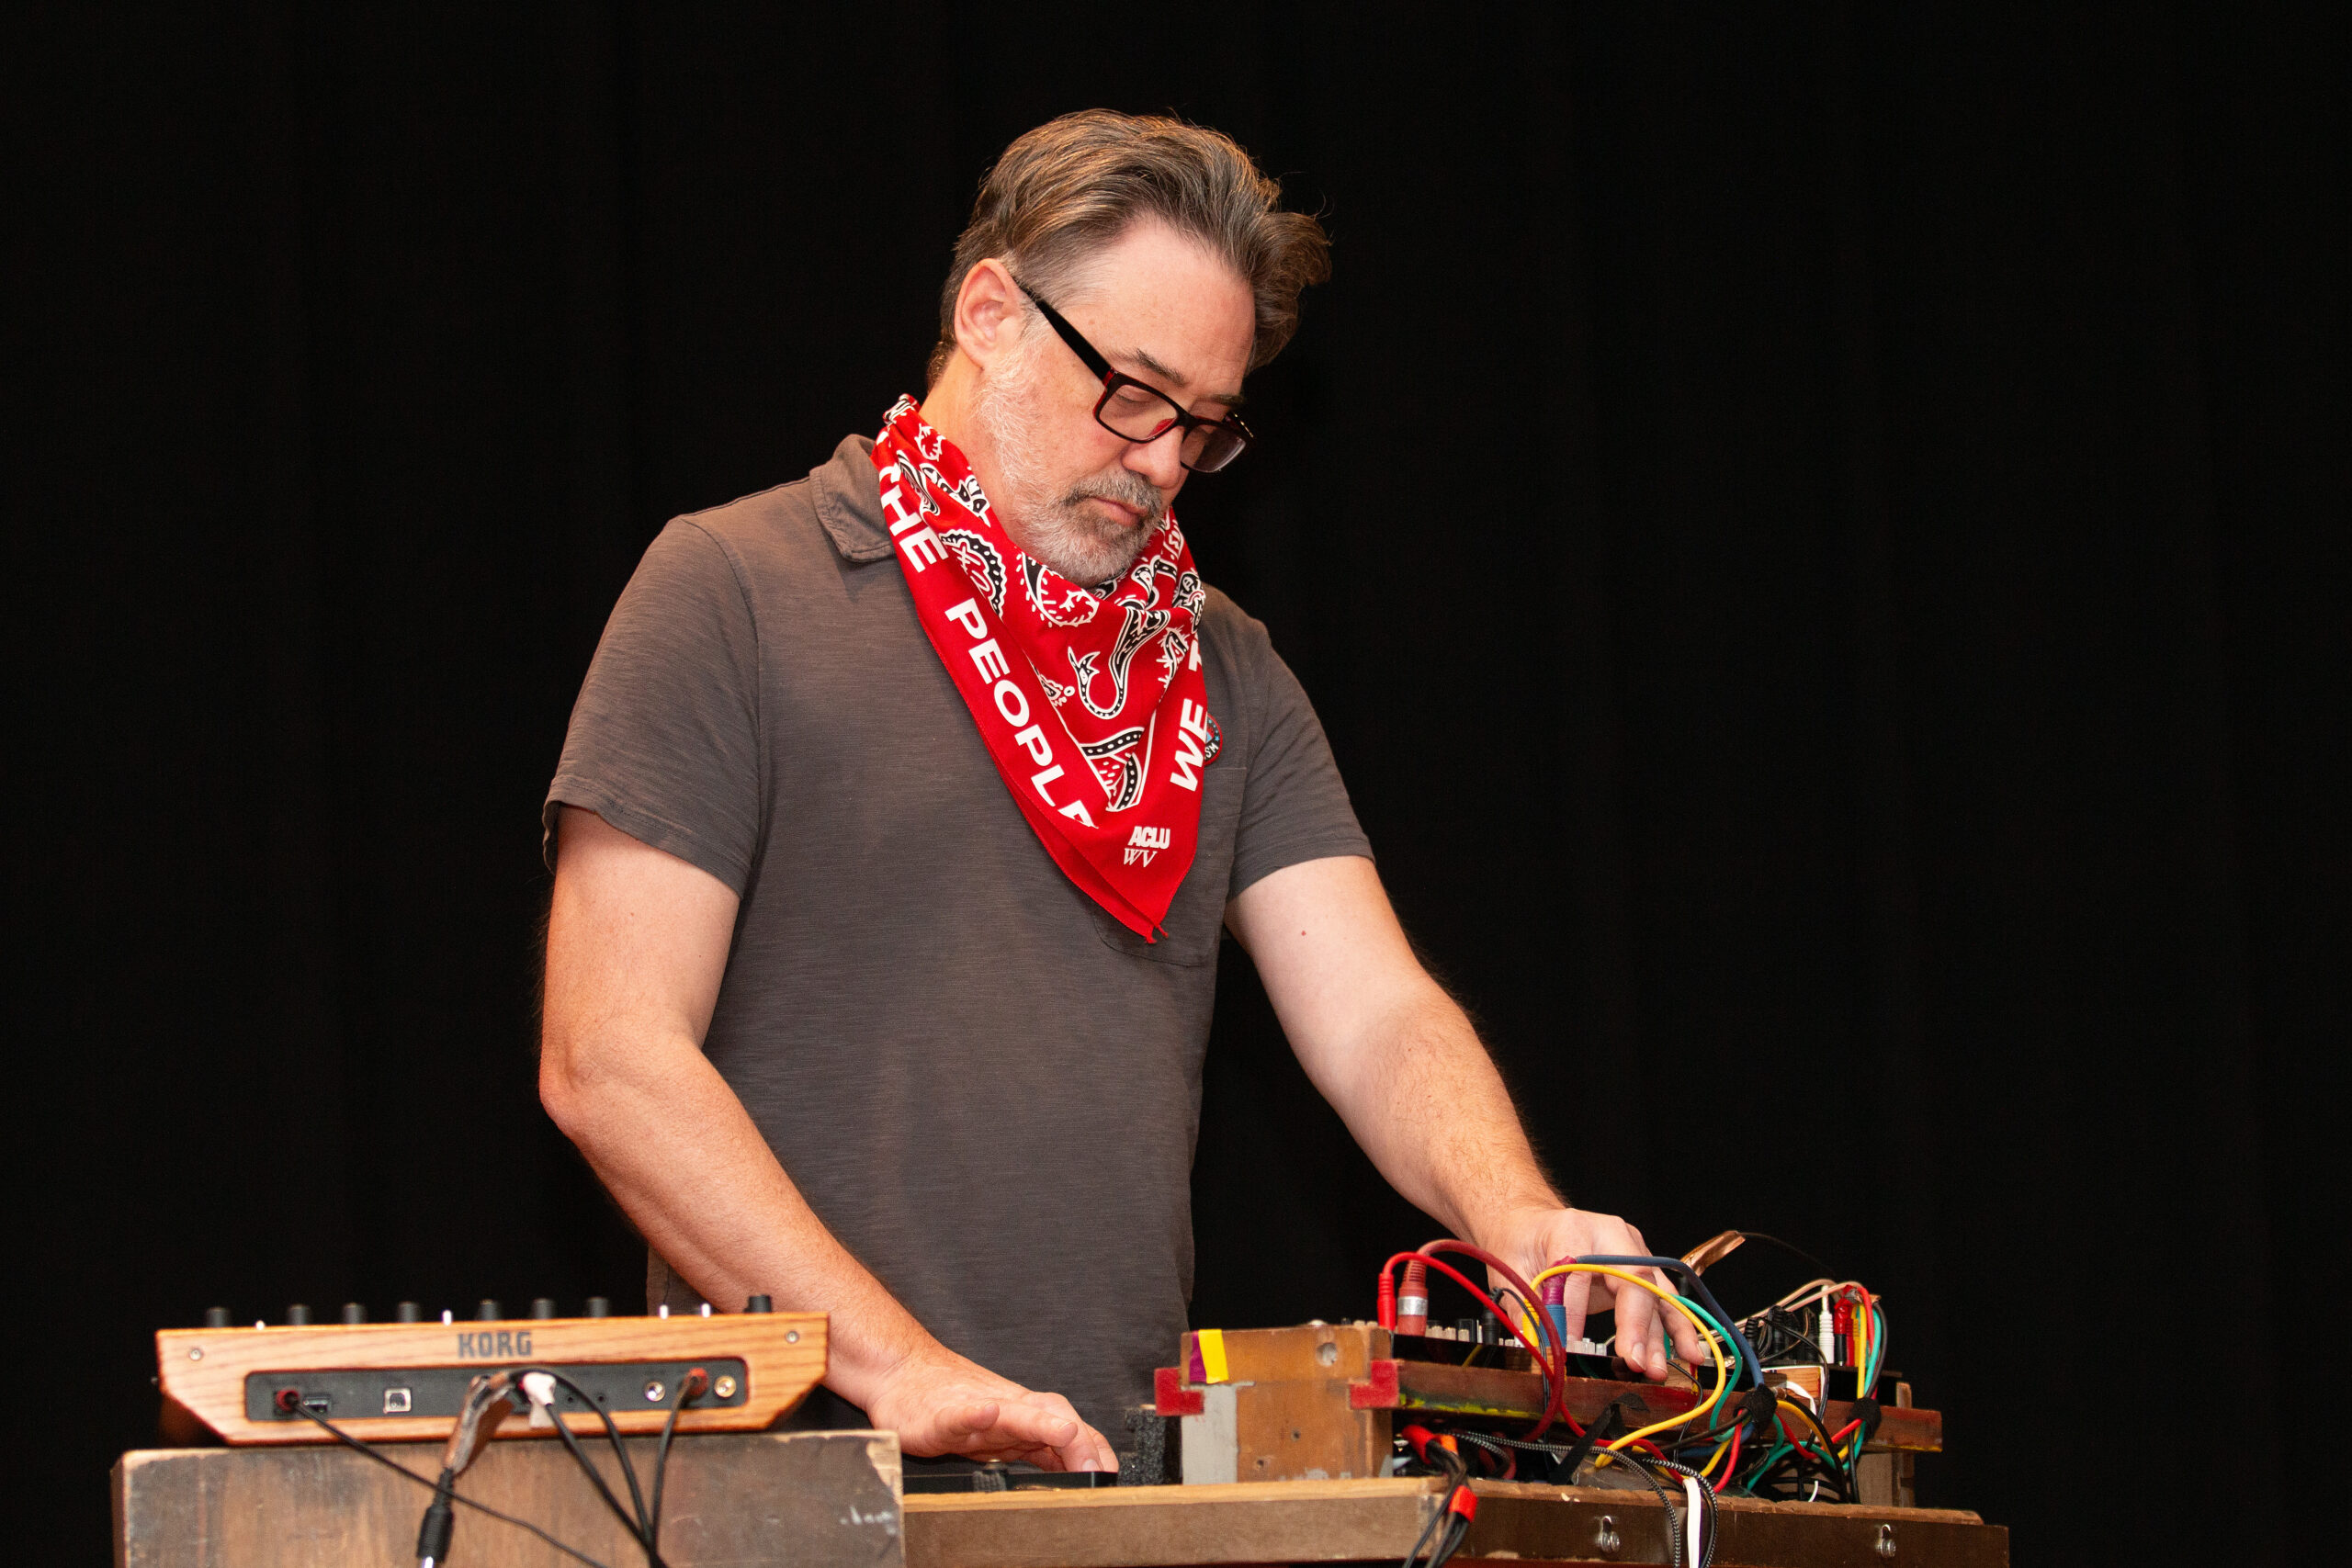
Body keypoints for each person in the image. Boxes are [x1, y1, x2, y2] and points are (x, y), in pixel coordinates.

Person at [538, 110, 1705, 1476]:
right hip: (792, 1479)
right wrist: (890, 1365)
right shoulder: (734, 593)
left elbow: (1378, 1008)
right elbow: (608, 1058)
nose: (1161, 461)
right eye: (1135, 394)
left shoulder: (1226, 668)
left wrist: (1522, 1217)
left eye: (1203, 426)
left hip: (1113, 1483)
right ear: (990, 313)